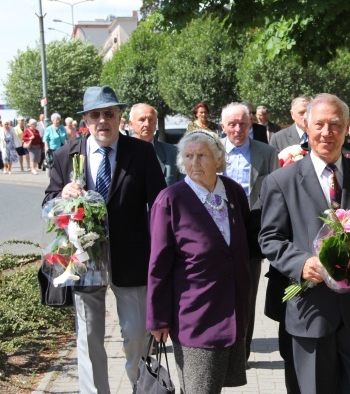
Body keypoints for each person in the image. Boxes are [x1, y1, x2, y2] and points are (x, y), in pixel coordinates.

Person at [259, 93, 350, 394]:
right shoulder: (281, 181)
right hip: (312, 313)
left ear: (347, 128)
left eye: (335, 124)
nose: (326, 132)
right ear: (306, 127)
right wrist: (301, 263)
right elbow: (269, 237)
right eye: (319, 124)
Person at [44, 85, 166, 393]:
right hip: (85, 262)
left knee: (137, 334)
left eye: (109, 114)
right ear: (85, 119)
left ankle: (143, 387)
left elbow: (161, 205)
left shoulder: (140, 152)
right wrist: (62, 196)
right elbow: (47, 203)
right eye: (95, 114)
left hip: (133, 258)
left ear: (119, 116)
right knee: (88, 338)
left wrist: (162, 256)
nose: (102, 121)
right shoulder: (67, 154)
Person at [147, 130, 250, 394]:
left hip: (232, 310)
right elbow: (158, 265)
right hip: (194, 316)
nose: (194, 163)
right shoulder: (171, 200)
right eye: (188, 156)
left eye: (202, 155)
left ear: (218, 159)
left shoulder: (234, 193)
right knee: (198, 388)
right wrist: (158, 319)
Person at [219, 102, 278, 361]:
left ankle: (242, 353)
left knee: (248, 293)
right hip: (217, 232)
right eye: (231, 124)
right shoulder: (212, 150)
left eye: (243, 123)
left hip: (251, 233)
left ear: (251, 124)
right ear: (222, 126)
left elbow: (274, 194)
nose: (238, 129)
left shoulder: (266, 153)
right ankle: (221, 349)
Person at [128, 103, 182, 186]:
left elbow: (182, 189)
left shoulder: (173, 153)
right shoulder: (121, 153)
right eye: (142, 120)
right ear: (131, 124)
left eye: (151, 119)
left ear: (156, 123)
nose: (147, 124)